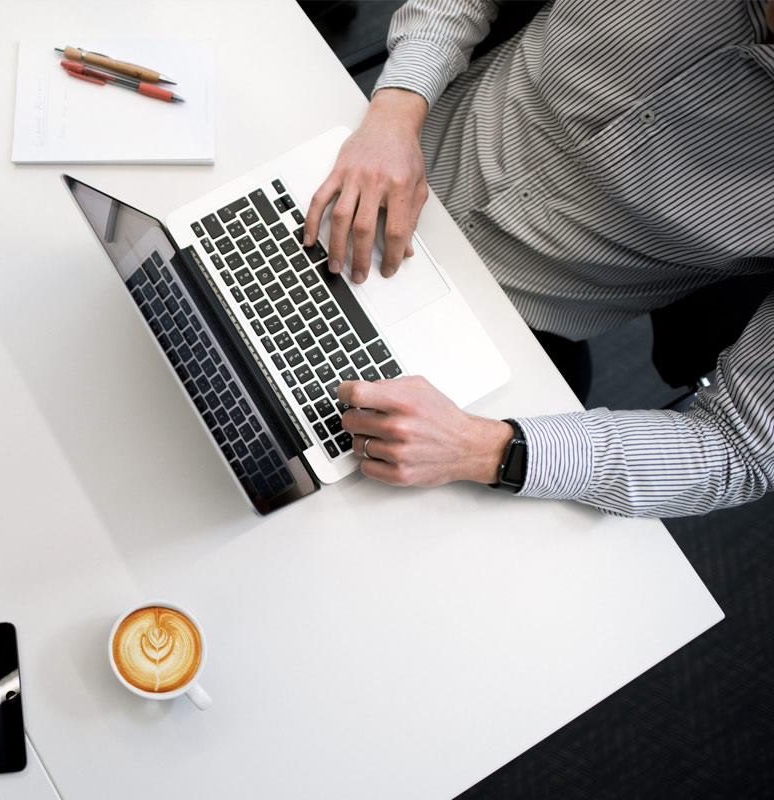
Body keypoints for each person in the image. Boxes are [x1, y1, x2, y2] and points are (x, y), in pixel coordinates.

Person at [302, 0, 774, 518]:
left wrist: (487, 449)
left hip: (508, 332)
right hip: (368, 154)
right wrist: (398, 107)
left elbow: (739, 446)